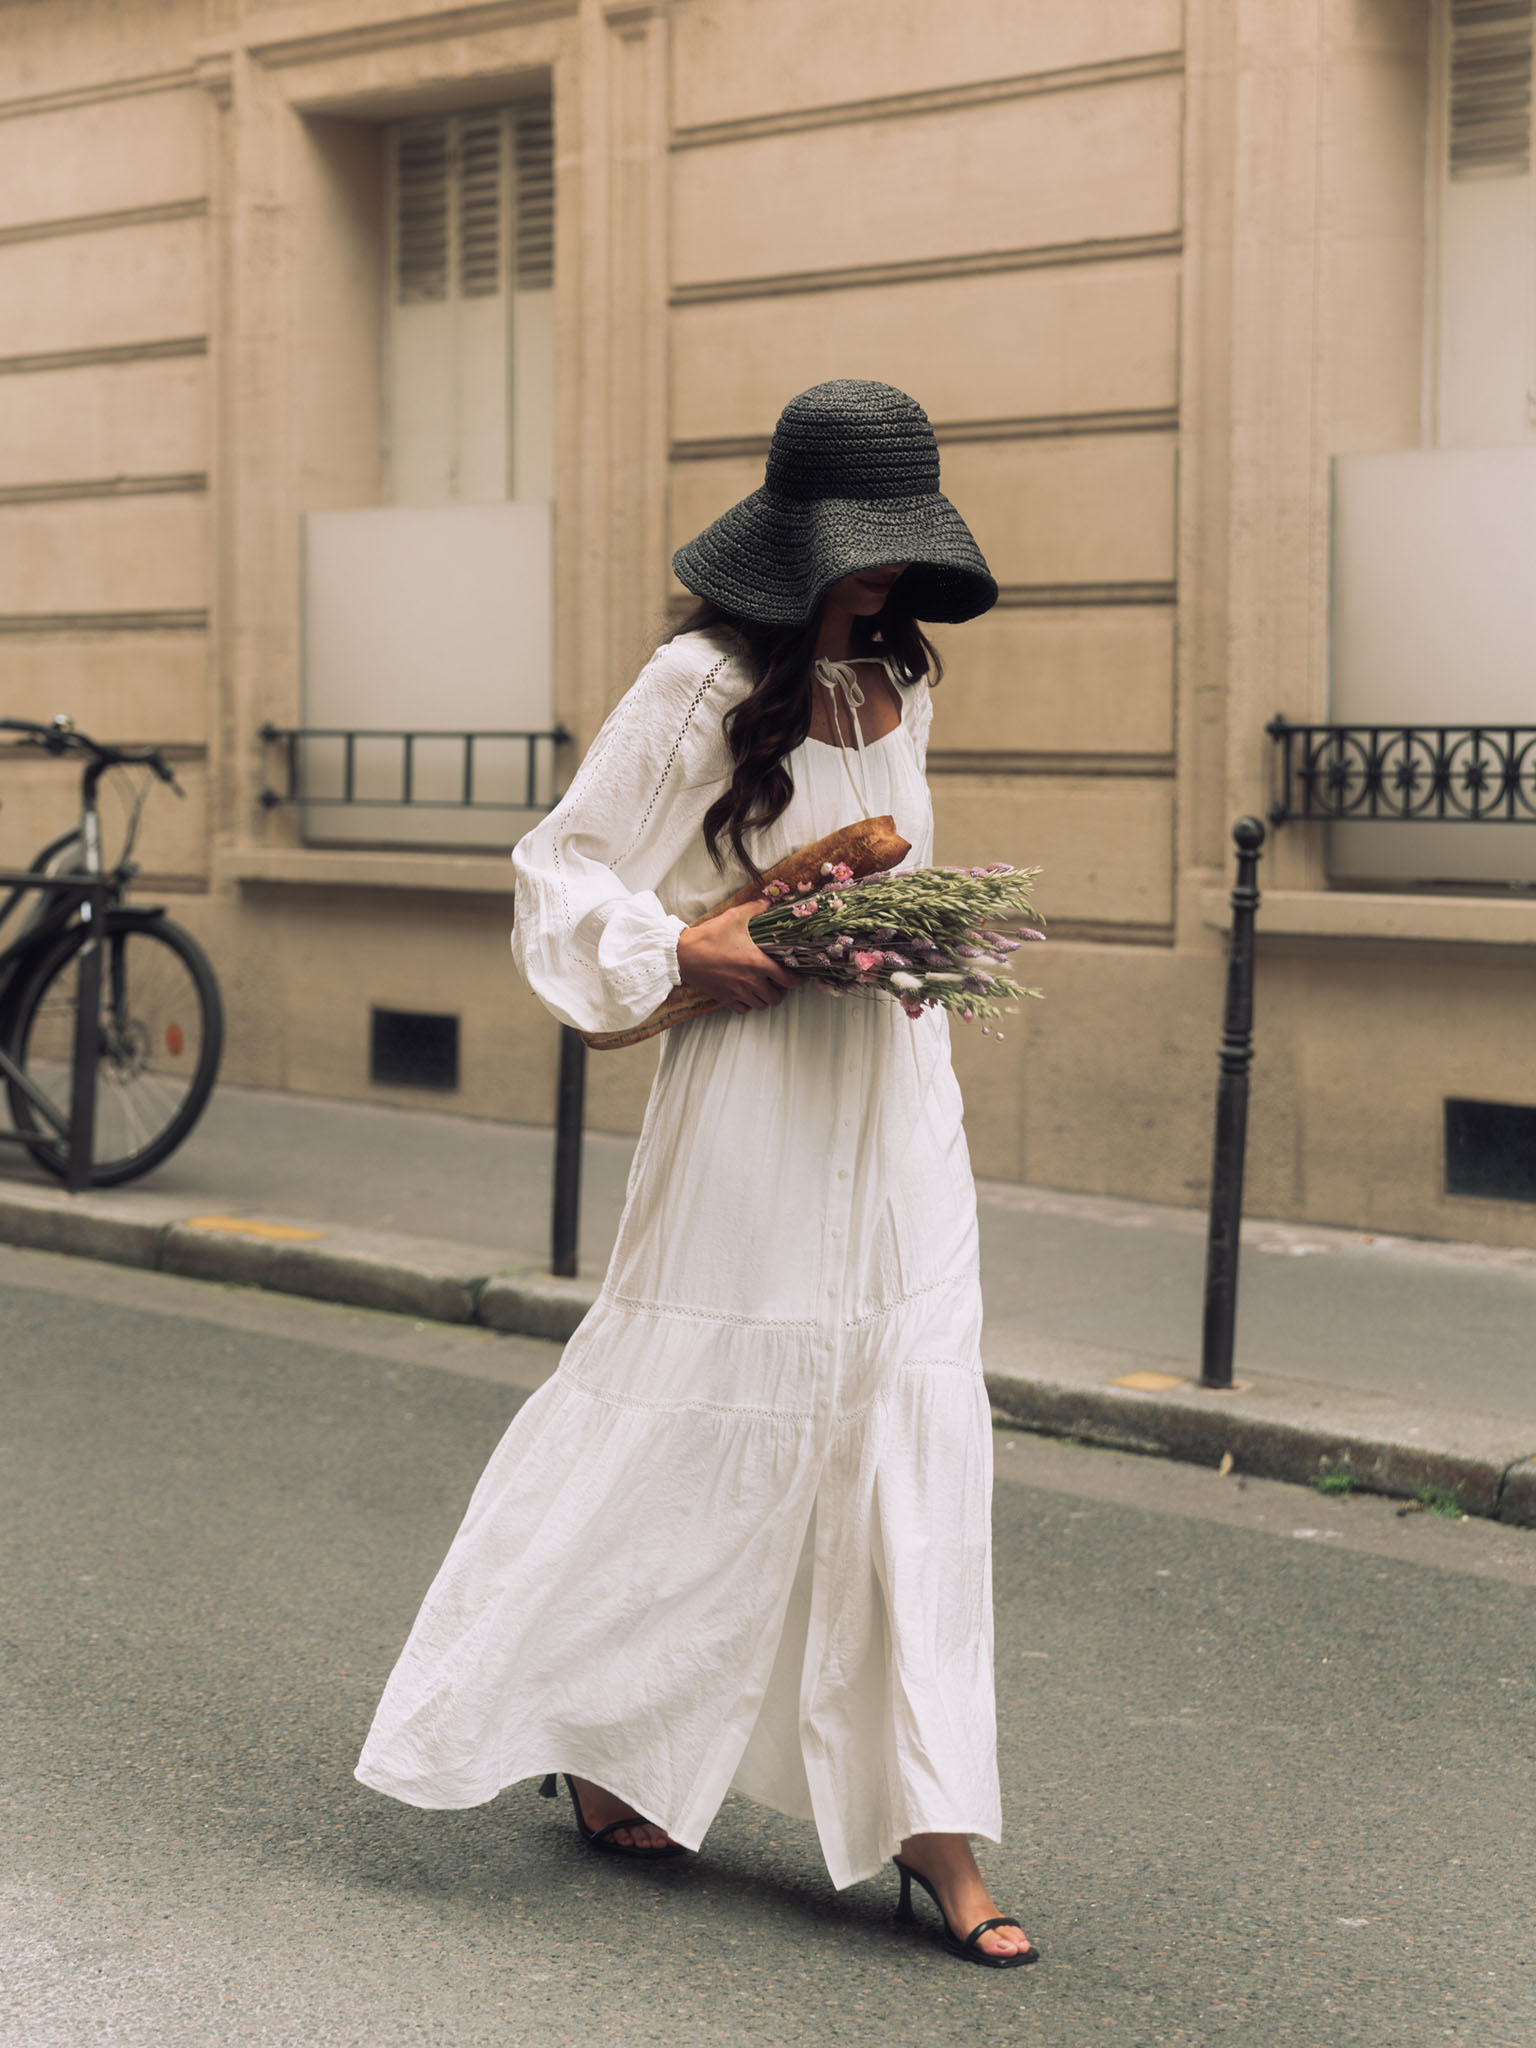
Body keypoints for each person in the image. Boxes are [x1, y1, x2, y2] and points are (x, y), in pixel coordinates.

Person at [355, 379, 1036, 1968]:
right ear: (795, 544)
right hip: (755, 1100)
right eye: (860, 554)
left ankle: (936, 1825)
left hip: (893, 1099)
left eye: (899, 551)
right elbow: (564, 871)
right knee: (699, 1416)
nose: (882, 581)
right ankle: (598, 1733)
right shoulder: (699, 681)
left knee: (906, 1413)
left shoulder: (894, 682)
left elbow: (893, 865)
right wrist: (683, 945)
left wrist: (916, 948)